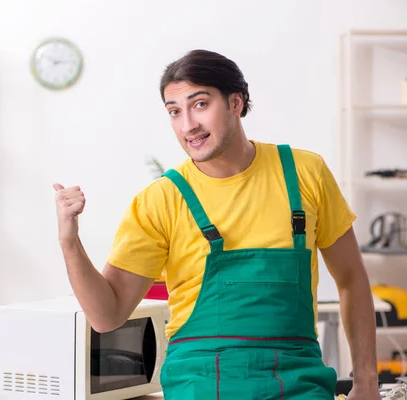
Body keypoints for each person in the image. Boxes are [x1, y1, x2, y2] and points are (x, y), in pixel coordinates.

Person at [53, 49, 380, 399]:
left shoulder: (305, 173)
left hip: (298, 379)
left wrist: (367, 382)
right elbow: (107, 316)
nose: (187, 126)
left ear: (236, 102)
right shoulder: (161, 199)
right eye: (174, 111)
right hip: (201, 381)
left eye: (199, 104)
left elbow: (351, 279)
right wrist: (70, 242)